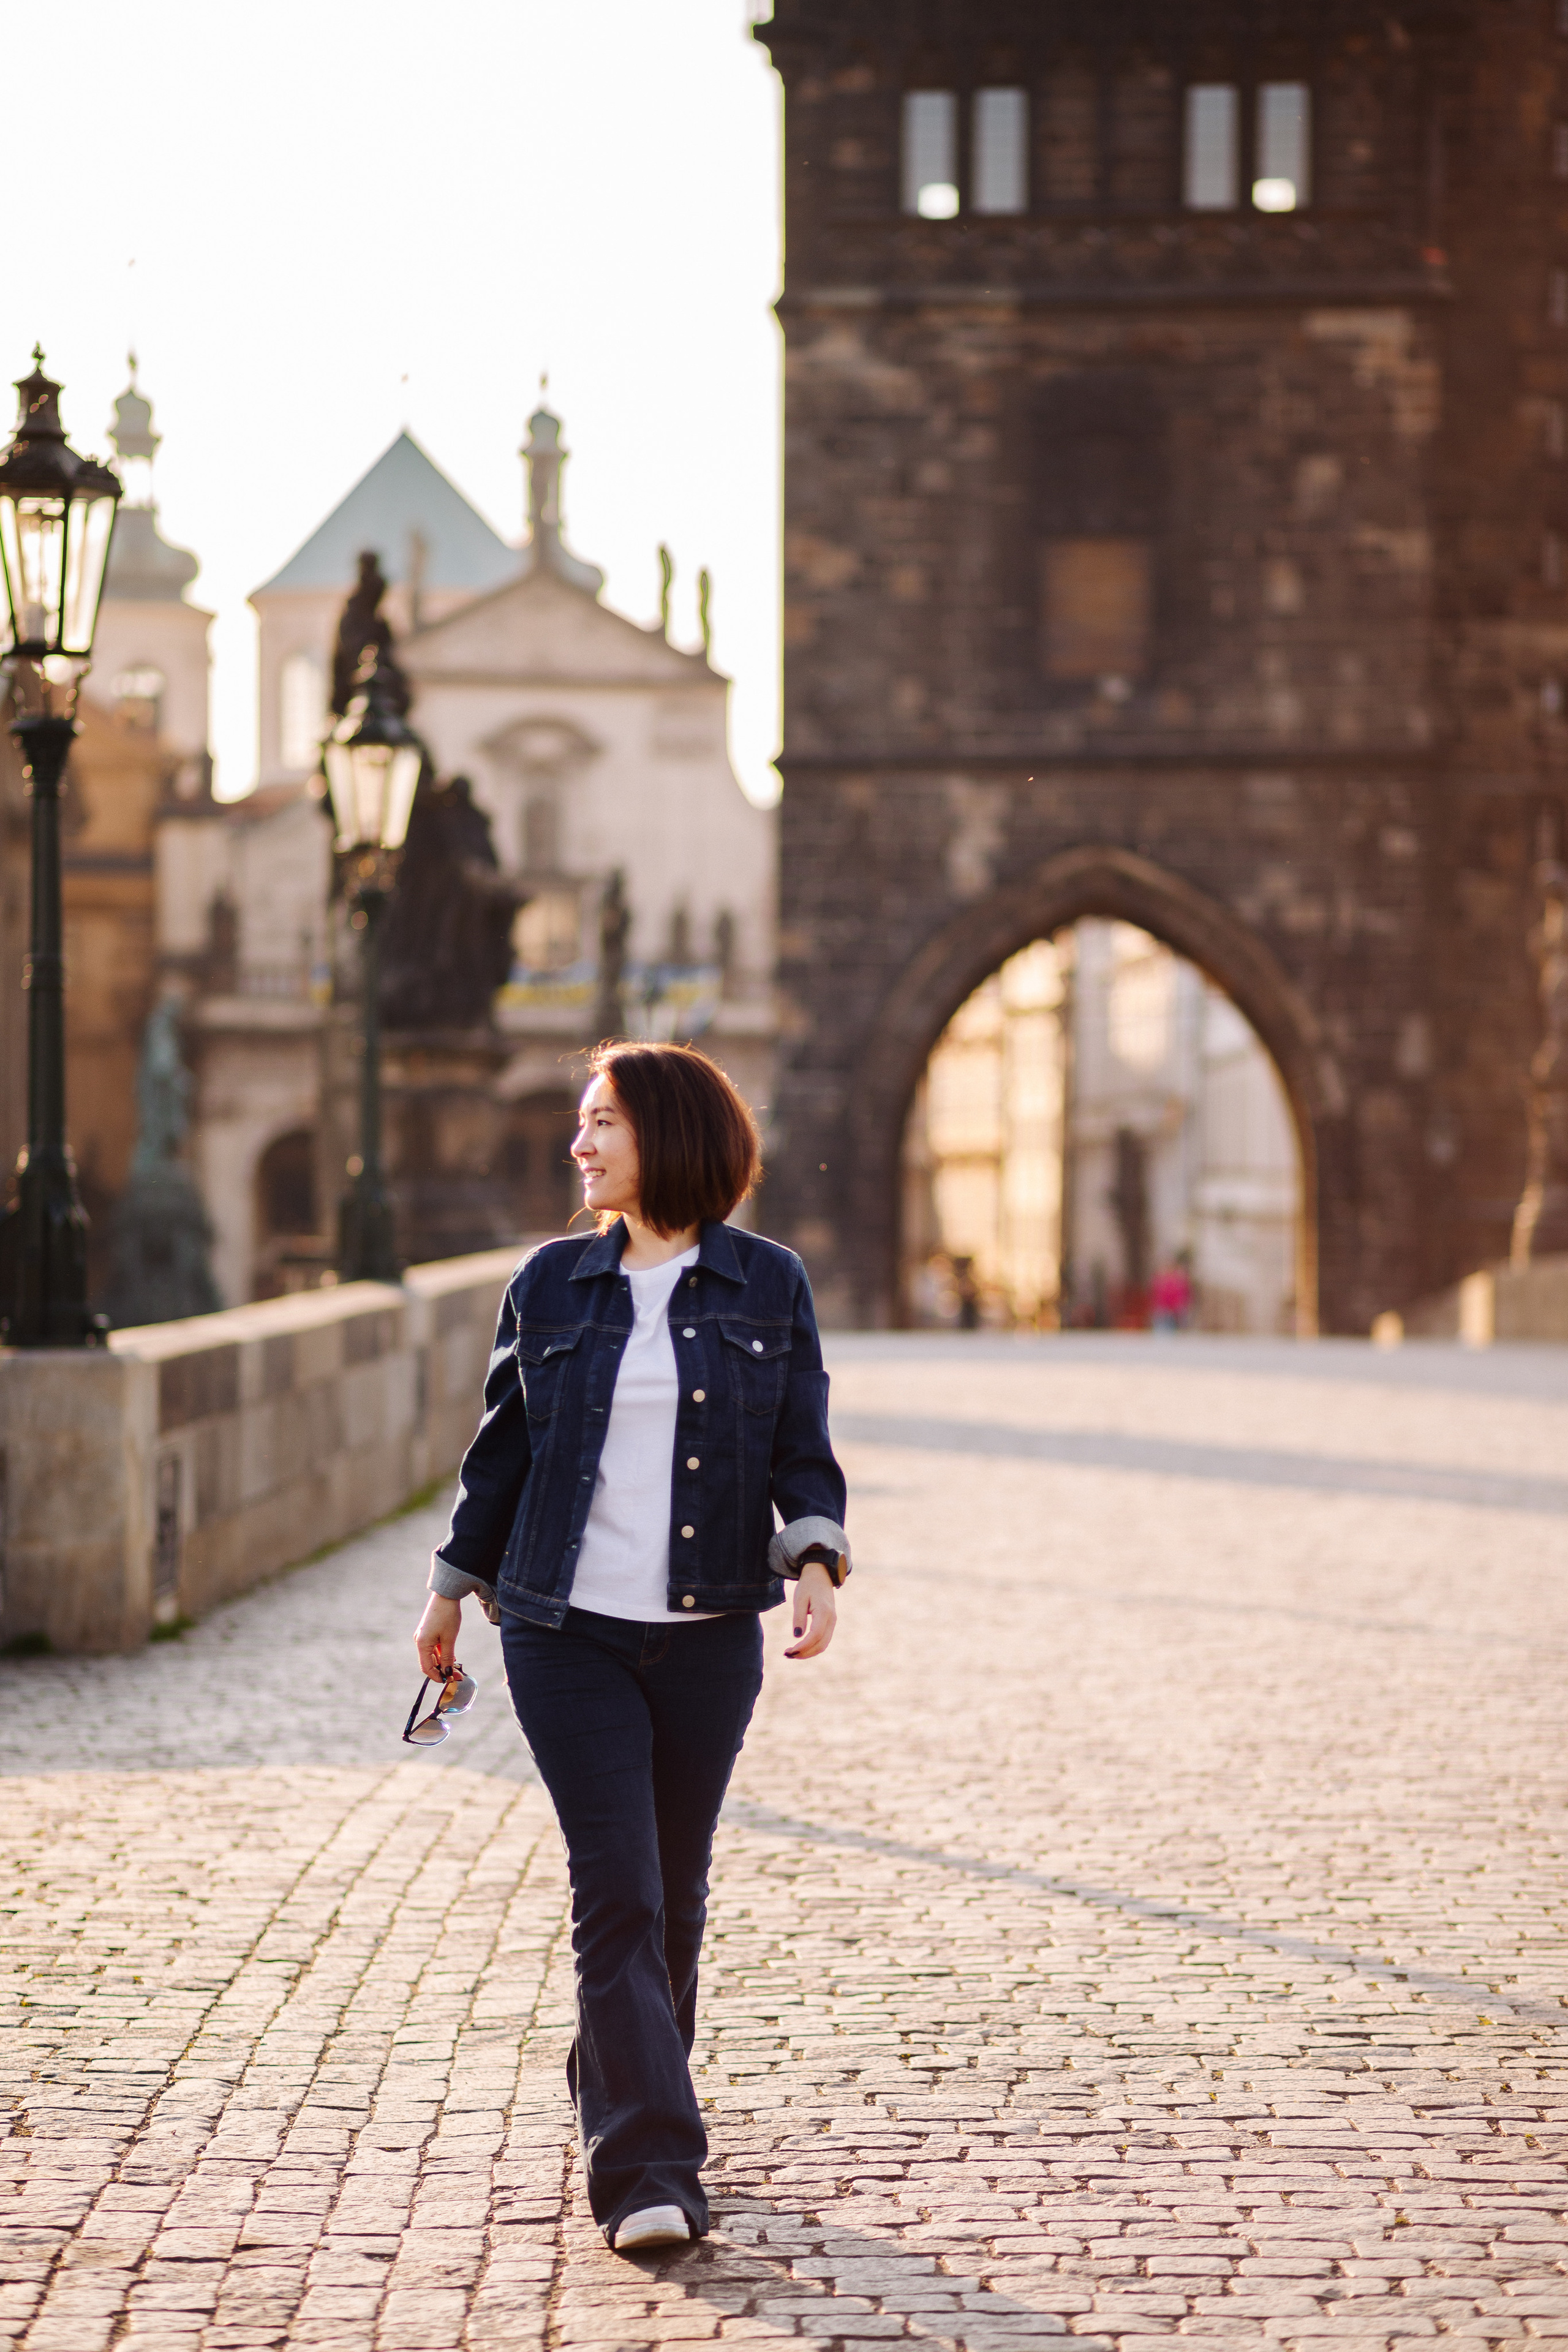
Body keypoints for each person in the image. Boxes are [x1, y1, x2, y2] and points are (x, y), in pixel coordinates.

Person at [414, 1041, 849, 2254]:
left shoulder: (767, 1283)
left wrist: (814, 1557)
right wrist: (451, 1591)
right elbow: (501, 1448)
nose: (578, 1145)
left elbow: (799, 1444)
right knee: (617, 1891)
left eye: (599, 1121)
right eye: (578, 1123)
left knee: (674, 1899)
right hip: (563, 1631)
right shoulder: (550, 1281)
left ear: (664, 1129)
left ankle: (615, 2083)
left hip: (708, 1633)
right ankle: (649, 2165)